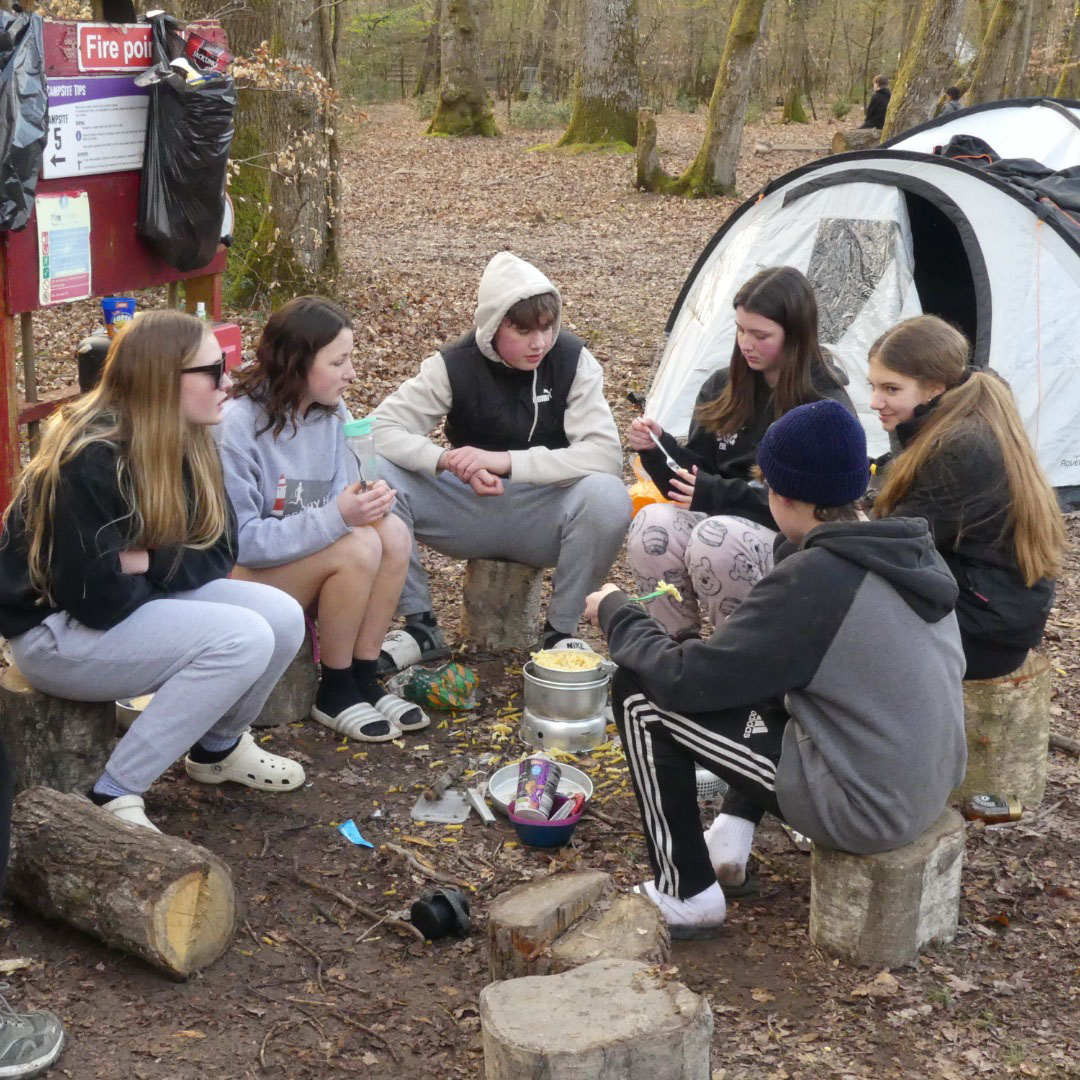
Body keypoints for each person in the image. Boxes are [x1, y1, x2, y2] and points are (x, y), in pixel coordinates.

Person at [585, 400, 967, 937]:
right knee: (767, 680)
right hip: (927, 780)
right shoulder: (899, 548)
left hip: (869, 807)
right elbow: (763, 676)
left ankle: (685, 891)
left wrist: (619, 614)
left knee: (638, 690)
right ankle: (734, 829)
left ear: (783, 496)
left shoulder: (819, 579)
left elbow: (683, 680)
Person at [0, 312, 307, 833]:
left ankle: (219, 748)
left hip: (126, 599)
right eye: (215, 370)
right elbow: (97, 599)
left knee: (281, 616)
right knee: (241, 638)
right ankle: (113, 792)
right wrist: (168, 565)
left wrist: (147, 559)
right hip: (52, 633)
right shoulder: (90, 458)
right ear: (166, 379)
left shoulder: (190, 436)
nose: (228, 381)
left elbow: (220, 549)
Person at [372, 251, 632, 672]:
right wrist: (446, 460)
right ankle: (419, 624)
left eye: (547, 328)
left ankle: (562, 634)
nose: (539, 343)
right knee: (376, 477)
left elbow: (604, 454)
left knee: (607, 495)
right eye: (523, 330)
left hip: (545, 513)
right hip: (466, 508)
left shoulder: (572, 360)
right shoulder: (452, 365)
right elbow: (379, 430)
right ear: (492, 325)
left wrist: (505, 462)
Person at [218, 296, 425, 742]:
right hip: (241, 578)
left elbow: (340, 501)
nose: (351, 373)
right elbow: (244, 542)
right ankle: (334, 688)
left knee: (392, 532)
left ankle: (364, 674)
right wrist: (340, 516)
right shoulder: (236, 426)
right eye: (338, 362)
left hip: (305, 561)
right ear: (296, 364)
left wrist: (367, 503)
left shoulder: (333, 415)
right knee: (360, 544)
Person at [626, 266, 854, 637]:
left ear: (795, 335)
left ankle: (734, 655)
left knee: (715, 538)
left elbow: (812, 508)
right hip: (721, 524)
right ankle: (672, 650)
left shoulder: (822, 405)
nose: (746, 343)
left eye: (760, 335)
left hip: (795, 545)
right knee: (652, 524)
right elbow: (695, 479)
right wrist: (657, 449)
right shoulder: (723, 387)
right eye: (740, 330)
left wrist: (715, 495)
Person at [867, 315, 1066, 679]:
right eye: (873, 386)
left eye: (891, 389)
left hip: (984, 632)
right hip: (984, 605)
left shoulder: (961, 448)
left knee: (839, 605)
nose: (874, 401)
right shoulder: (948, 420)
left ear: (934, 389)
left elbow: (893, 540)